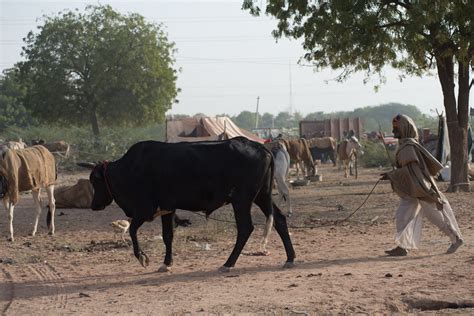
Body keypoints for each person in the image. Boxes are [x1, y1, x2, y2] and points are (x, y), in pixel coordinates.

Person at [380, 114, 463, 256]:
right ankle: (402, 246)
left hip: (421, 189)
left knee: (435, 216)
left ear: (405, 129)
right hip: (412, 190)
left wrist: (392, 175)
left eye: (397, 129)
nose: (395, 132)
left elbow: (411, 171)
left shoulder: (408, 147)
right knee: (402, 215)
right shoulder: (407, 145)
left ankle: (456, 238)